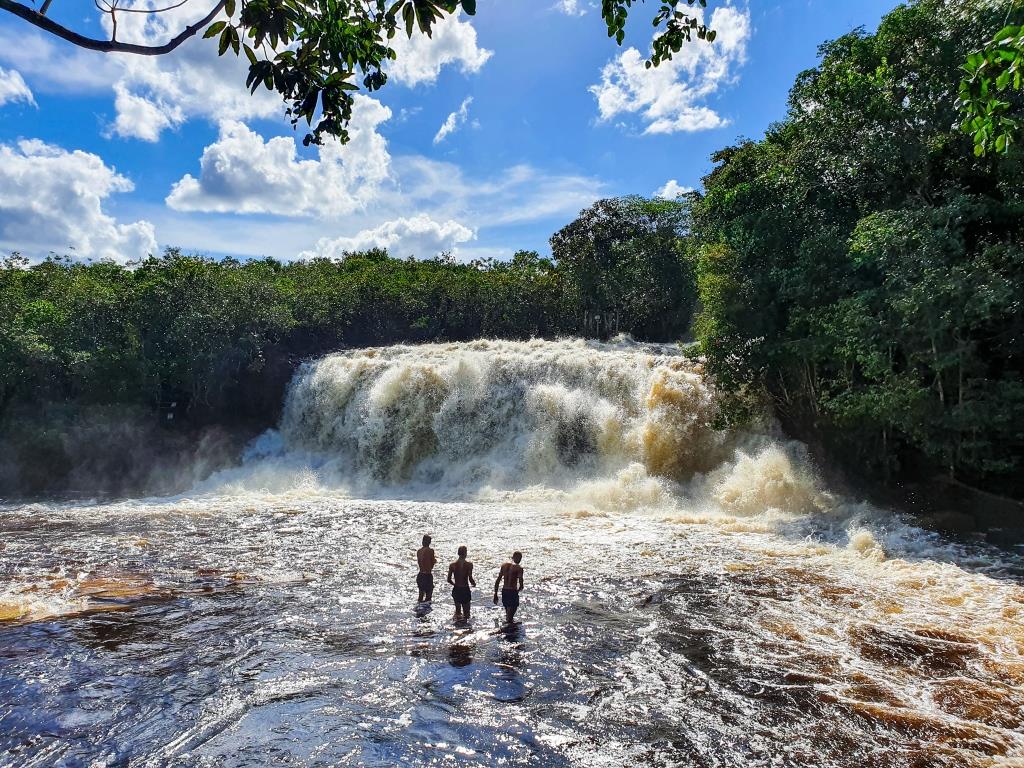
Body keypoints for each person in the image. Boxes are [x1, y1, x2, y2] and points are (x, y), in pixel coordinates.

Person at [493, 551, 524, 624]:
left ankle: (508, 625)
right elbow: (521, 584)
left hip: (504, 591)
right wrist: (518, 590)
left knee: (508, 613)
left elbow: (498, 580)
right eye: (520, 558)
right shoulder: (519, 568)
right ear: (518, 558)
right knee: (510, 615)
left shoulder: (504, 566)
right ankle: (508, 629)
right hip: (512, 592)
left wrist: (495, 594)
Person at [447, 545, 476, 620]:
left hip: (456, 589)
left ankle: (457, 626)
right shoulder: (469, 565)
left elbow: (449, 579)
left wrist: (455, 584)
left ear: (458, 553)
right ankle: (466, 628)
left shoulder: (452, 565)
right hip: (465, 590)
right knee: (467, 614)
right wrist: (474, 584)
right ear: (465, 553)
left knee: (458, 612)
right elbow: (470, 578)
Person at [416, 534, 436, 603]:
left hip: (420, 575)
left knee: (420, 596)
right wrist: (434, 561)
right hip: (427, 575)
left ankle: (418, 611)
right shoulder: (430, 551)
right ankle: (425, 611)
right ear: (429, 542)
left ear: (423, 541)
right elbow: (431, 565)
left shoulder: (419, 551)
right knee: (428, 597)